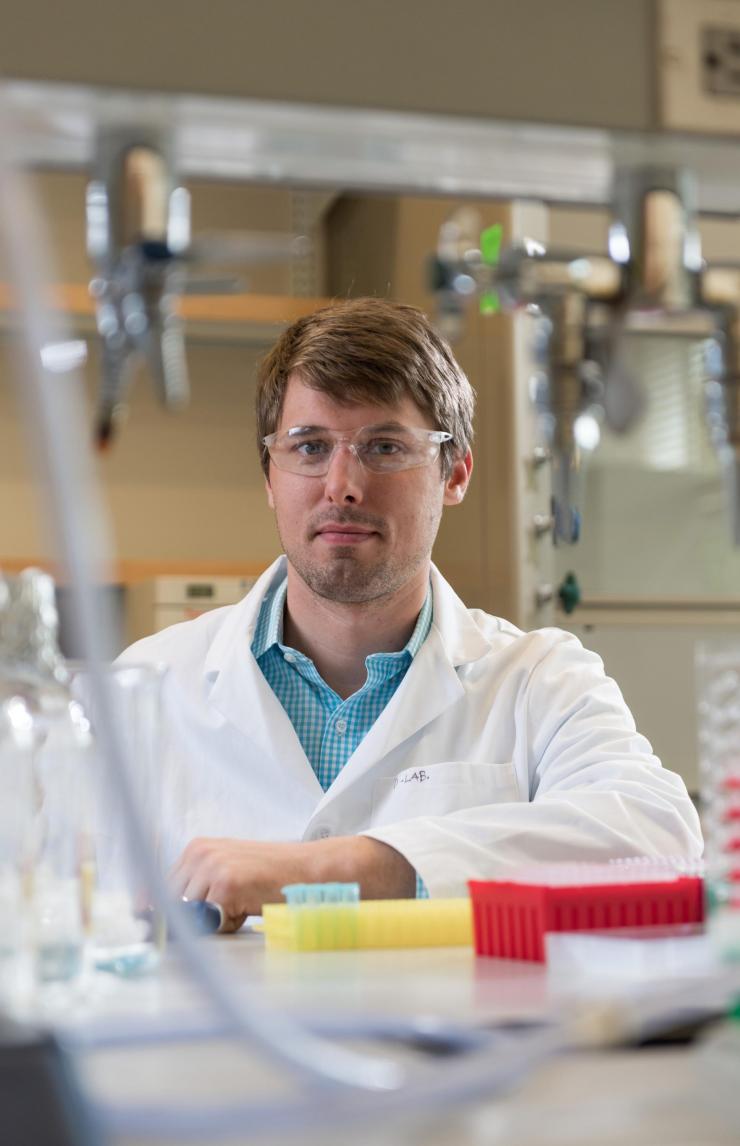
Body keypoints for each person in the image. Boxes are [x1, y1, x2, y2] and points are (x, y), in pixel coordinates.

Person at [121, 298, 702, 931]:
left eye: (385, 447)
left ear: (455, 475)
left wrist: (334, 870)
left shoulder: (539, 679)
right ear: (270, 476)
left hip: (464, 1030)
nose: (342, 484)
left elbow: (657, 833)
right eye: (310, 446)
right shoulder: (144, 683)